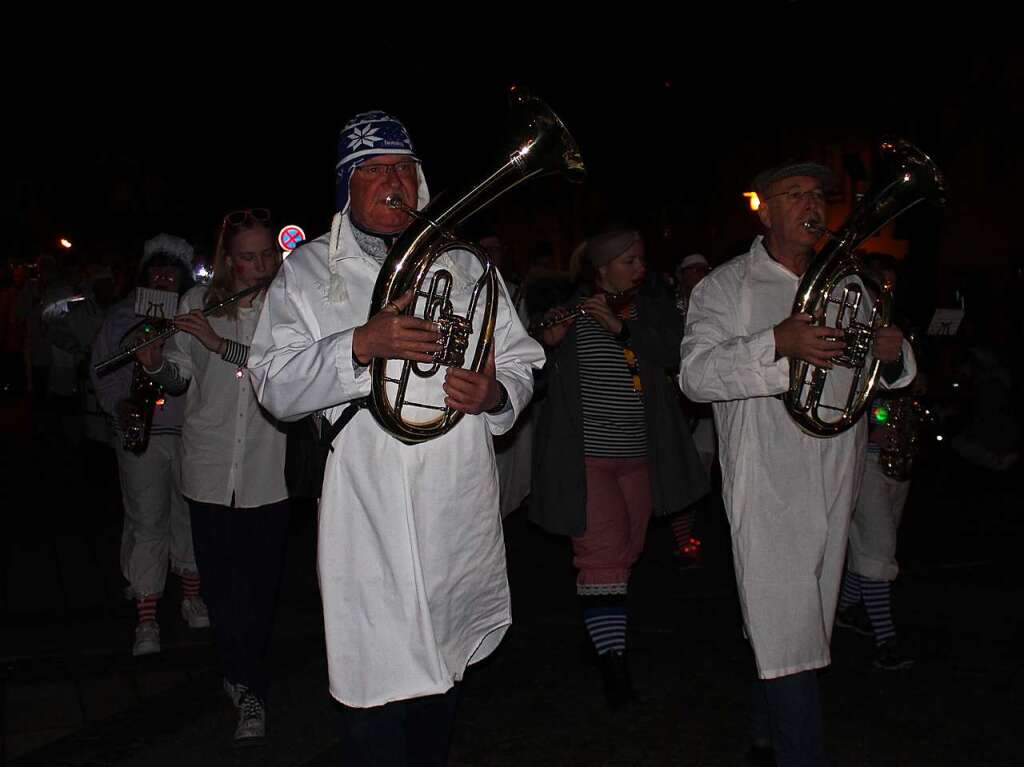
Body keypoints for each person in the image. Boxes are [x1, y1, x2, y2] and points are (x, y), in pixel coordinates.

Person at [247, 111, 544, 765]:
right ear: (347, 186)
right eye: (373, 170)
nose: (391, 182)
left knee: (443, 668)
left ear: (422, 181)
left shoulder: (465, 264)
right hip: (367, 498)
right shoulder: (308, 271)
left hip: (457, 491)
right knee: (376, 685)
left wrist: (495, 394)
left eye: (402, 169)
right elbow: (270, 379)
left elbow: (522, 358)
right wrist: (360, 345)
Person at [680, 161, 917, 766]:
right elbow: (696, 376)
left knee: (803, 621)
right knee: (788, 626)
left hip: (837, 469)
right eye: (795, 195)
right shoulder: (725, 286)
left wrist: (891, 355)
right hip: (767, 476)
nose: (812, 204)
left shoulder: (851, 284)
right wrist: (776, 346)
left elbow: (881, 377)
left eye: (818, 195)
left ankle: (762, 740)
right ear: (764, 208)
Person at [529, 229, 708, 708]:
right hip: (586, 459)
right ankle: (616, 667)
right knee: (602, 557)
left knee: (627, 550)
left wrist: (623, 330)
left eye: (640, 259)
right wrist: (544, 343)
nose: (639, 268)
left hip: (640, 456)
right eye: (629, 261)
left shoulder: (650, 309)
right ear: (602, 268)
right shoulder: (570, 310)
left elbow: (675, 354)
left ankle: (599, 633)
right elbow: (528, 374)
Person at [137, 212, 287, 745]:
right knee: (223, 593)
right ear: (227, 258)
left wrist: (221, 345)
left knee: (260, 592)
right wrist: (156, 364)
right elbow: (179, 379)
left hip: (270, 475)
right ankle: (245, 686)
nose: (261, 266)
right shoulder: (196, 305)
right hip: (206, 470)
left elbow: (283, 373)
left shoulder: (285, 304)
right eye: (248, 257)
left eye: (268, 254)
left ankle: (246, 674)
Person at [90, 234, 206, 656]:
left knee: (188, 516)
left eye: (170, 269)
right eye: (155, 269)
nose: (162, 276)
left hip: (189, 433)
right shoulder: (122, 316)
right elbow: (101, 371)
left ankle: (191, 594)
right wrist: (119, 404)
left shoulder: (194, 314)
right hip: (141, 435)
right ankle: (146, 616)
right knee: (147, 520)